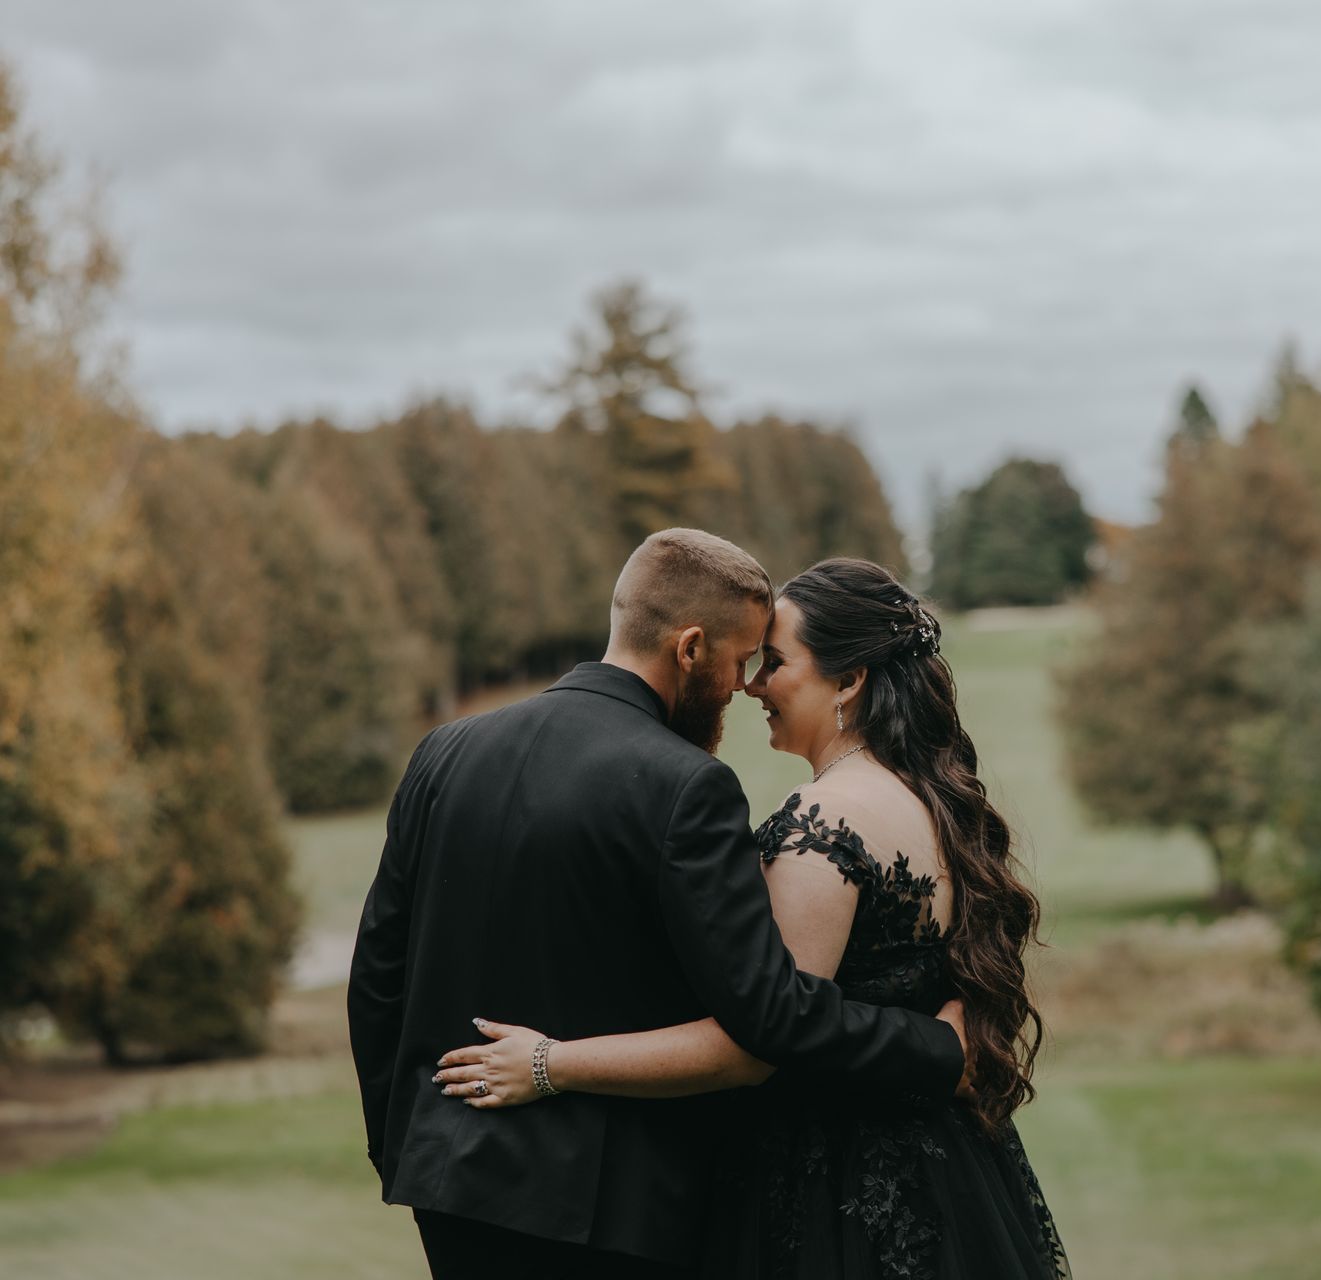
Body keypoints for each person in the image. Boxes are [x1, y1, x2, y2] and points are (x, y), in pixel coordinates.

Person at [348, 531, 969, 1280]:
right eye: (742, 662)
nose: (745, 688)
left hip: (448, 1189)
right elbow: (768, 1012)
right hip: (612, 1211)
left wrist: (404, 1145)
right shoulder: (684, 787)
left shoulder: (444, 752)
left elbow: (378, 975)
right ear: (690, 648)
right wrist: (938, 1049)